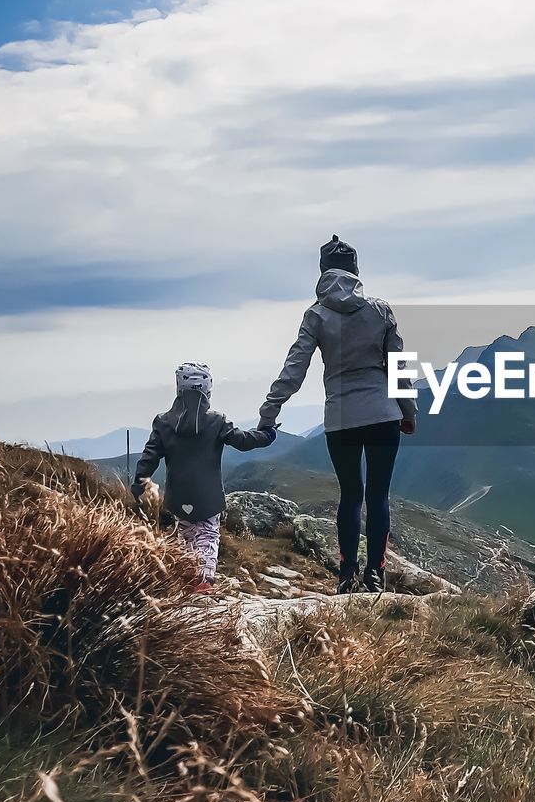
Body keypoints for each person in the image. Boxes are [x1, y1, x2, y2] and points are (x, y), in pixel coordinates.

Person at [258, 235, 416, 593]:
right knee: (378, 496)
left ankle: (347, 577)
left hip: (340, 418)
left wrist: (269, 413)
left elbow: (293, 369)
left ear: (321, 272)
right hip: (383, 414)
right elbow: (399, 369)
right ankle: (375, 576)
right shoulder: (381, 310)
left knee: (350, 495)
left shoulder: (316, 315)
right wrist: (408, 412)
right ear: (356, 271)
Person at [131, 362, 276, 592]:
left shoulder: (163, 422)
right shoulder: (217, 421)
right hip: (208, 497)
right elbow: (243, 441)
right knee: (207, 537)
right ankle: (203, 582)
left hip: (178, 496)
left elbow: (149, 456)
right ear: (207, 389)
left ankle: (186, 578)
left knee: (185, 537)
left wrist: (140, 481)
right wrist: (267, 435)